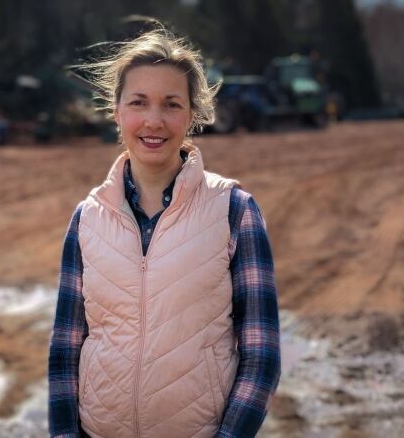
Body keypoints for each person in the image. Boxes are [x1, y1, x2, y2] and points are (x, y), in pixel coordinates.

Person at [48, 28, 280, 438]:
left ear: (192, 114)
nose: (153, 120)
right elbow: (66, 348)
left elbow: (261, 356)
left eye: (171, 104)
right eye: (139, 102)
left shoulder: (234, 211)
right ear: (116, 111)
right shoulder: (86, 219)